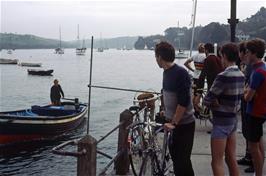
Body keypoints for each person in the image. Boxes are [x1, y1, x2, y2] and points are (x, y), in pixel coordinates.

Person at [203, 43, 244, 176]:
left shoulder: (223, 76)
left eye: (221, 56)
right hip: (233, 121)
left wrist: (215, 103)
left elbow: (207, 99)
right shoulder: (241, 74)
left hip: (221, 122)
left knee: (216, 161)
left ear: (224, 56)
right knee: (231, 158)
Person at [155, 41, 195, 176]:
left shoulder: (180, 73)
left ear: (160, 57)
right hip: (171, 123)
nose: (156, 60)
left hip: (184, 125)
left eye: (156, 57)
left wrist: (173, 123)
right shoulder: (166, 73)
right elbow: (167, 94)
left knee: (183, 162)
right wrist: (164, 110)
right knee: (176, 160)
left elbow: (184, 101)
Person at [244, 38, 266, 176]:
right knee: (259, 144)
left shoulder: (257, 72)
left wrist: (245, 90)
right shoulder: (263, 68)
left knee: (253, 147)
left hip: (254, 112)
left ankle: (258, 173)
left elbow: (247, 97)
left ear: (254, 53)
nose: (246, 54)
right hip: (261, 111)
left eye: (248, 52)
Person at [237, 41, 254, 173]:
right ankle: (248, 155)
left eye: (240, 51)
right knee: (247, 131)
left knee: (251, 132)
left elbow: (247, 85)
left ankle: (253, 160)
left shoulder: (250, 67)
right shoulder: (246, 66)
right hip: (245, 102)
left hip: (249, 103)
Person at [194, 43, 224, 112]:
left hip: (212, 87)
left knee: (210, 108)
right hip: (220, 87)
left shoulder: (208, 59)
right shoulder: (218, 59)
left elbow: (202, 76)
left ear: (206, 50)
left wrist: (199, 93)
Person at [184, 43, 206, 117]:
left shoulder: (195, 55)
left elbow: (185, 63)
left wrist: (193, 70)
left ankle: (195, 111)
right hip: (201, 77)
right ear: (204, 49)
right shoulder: (205, 56)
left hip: (195, 76)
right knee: (199, 94)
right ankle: (198, 110)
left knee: (194, 93)